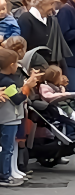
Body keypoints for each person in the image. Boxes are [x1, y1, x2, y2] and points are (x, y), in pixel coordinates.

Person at [0, 48, 41, 187]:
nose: (18, 66)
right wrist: (27, 87)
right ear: (11, 65)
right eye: (16, 63)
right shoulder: (7, 82)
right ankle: (4, 175)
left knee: (7, 147)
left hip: (7, 118)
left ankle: (8, 172)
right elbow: (17, 99)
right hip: (8, 119)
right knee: (7, 148)